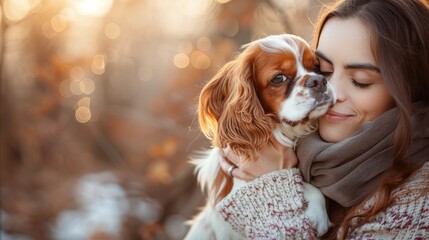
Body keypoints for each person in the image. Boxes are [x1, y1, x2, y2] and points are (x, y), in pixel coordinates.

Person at [216, 0, 429, 239]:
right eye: (322, 70)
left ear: (411, 89)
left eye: (360, 80)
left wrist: (273, 192)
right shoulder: (290, 156)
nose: (330, 91)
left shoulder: (419, 206)